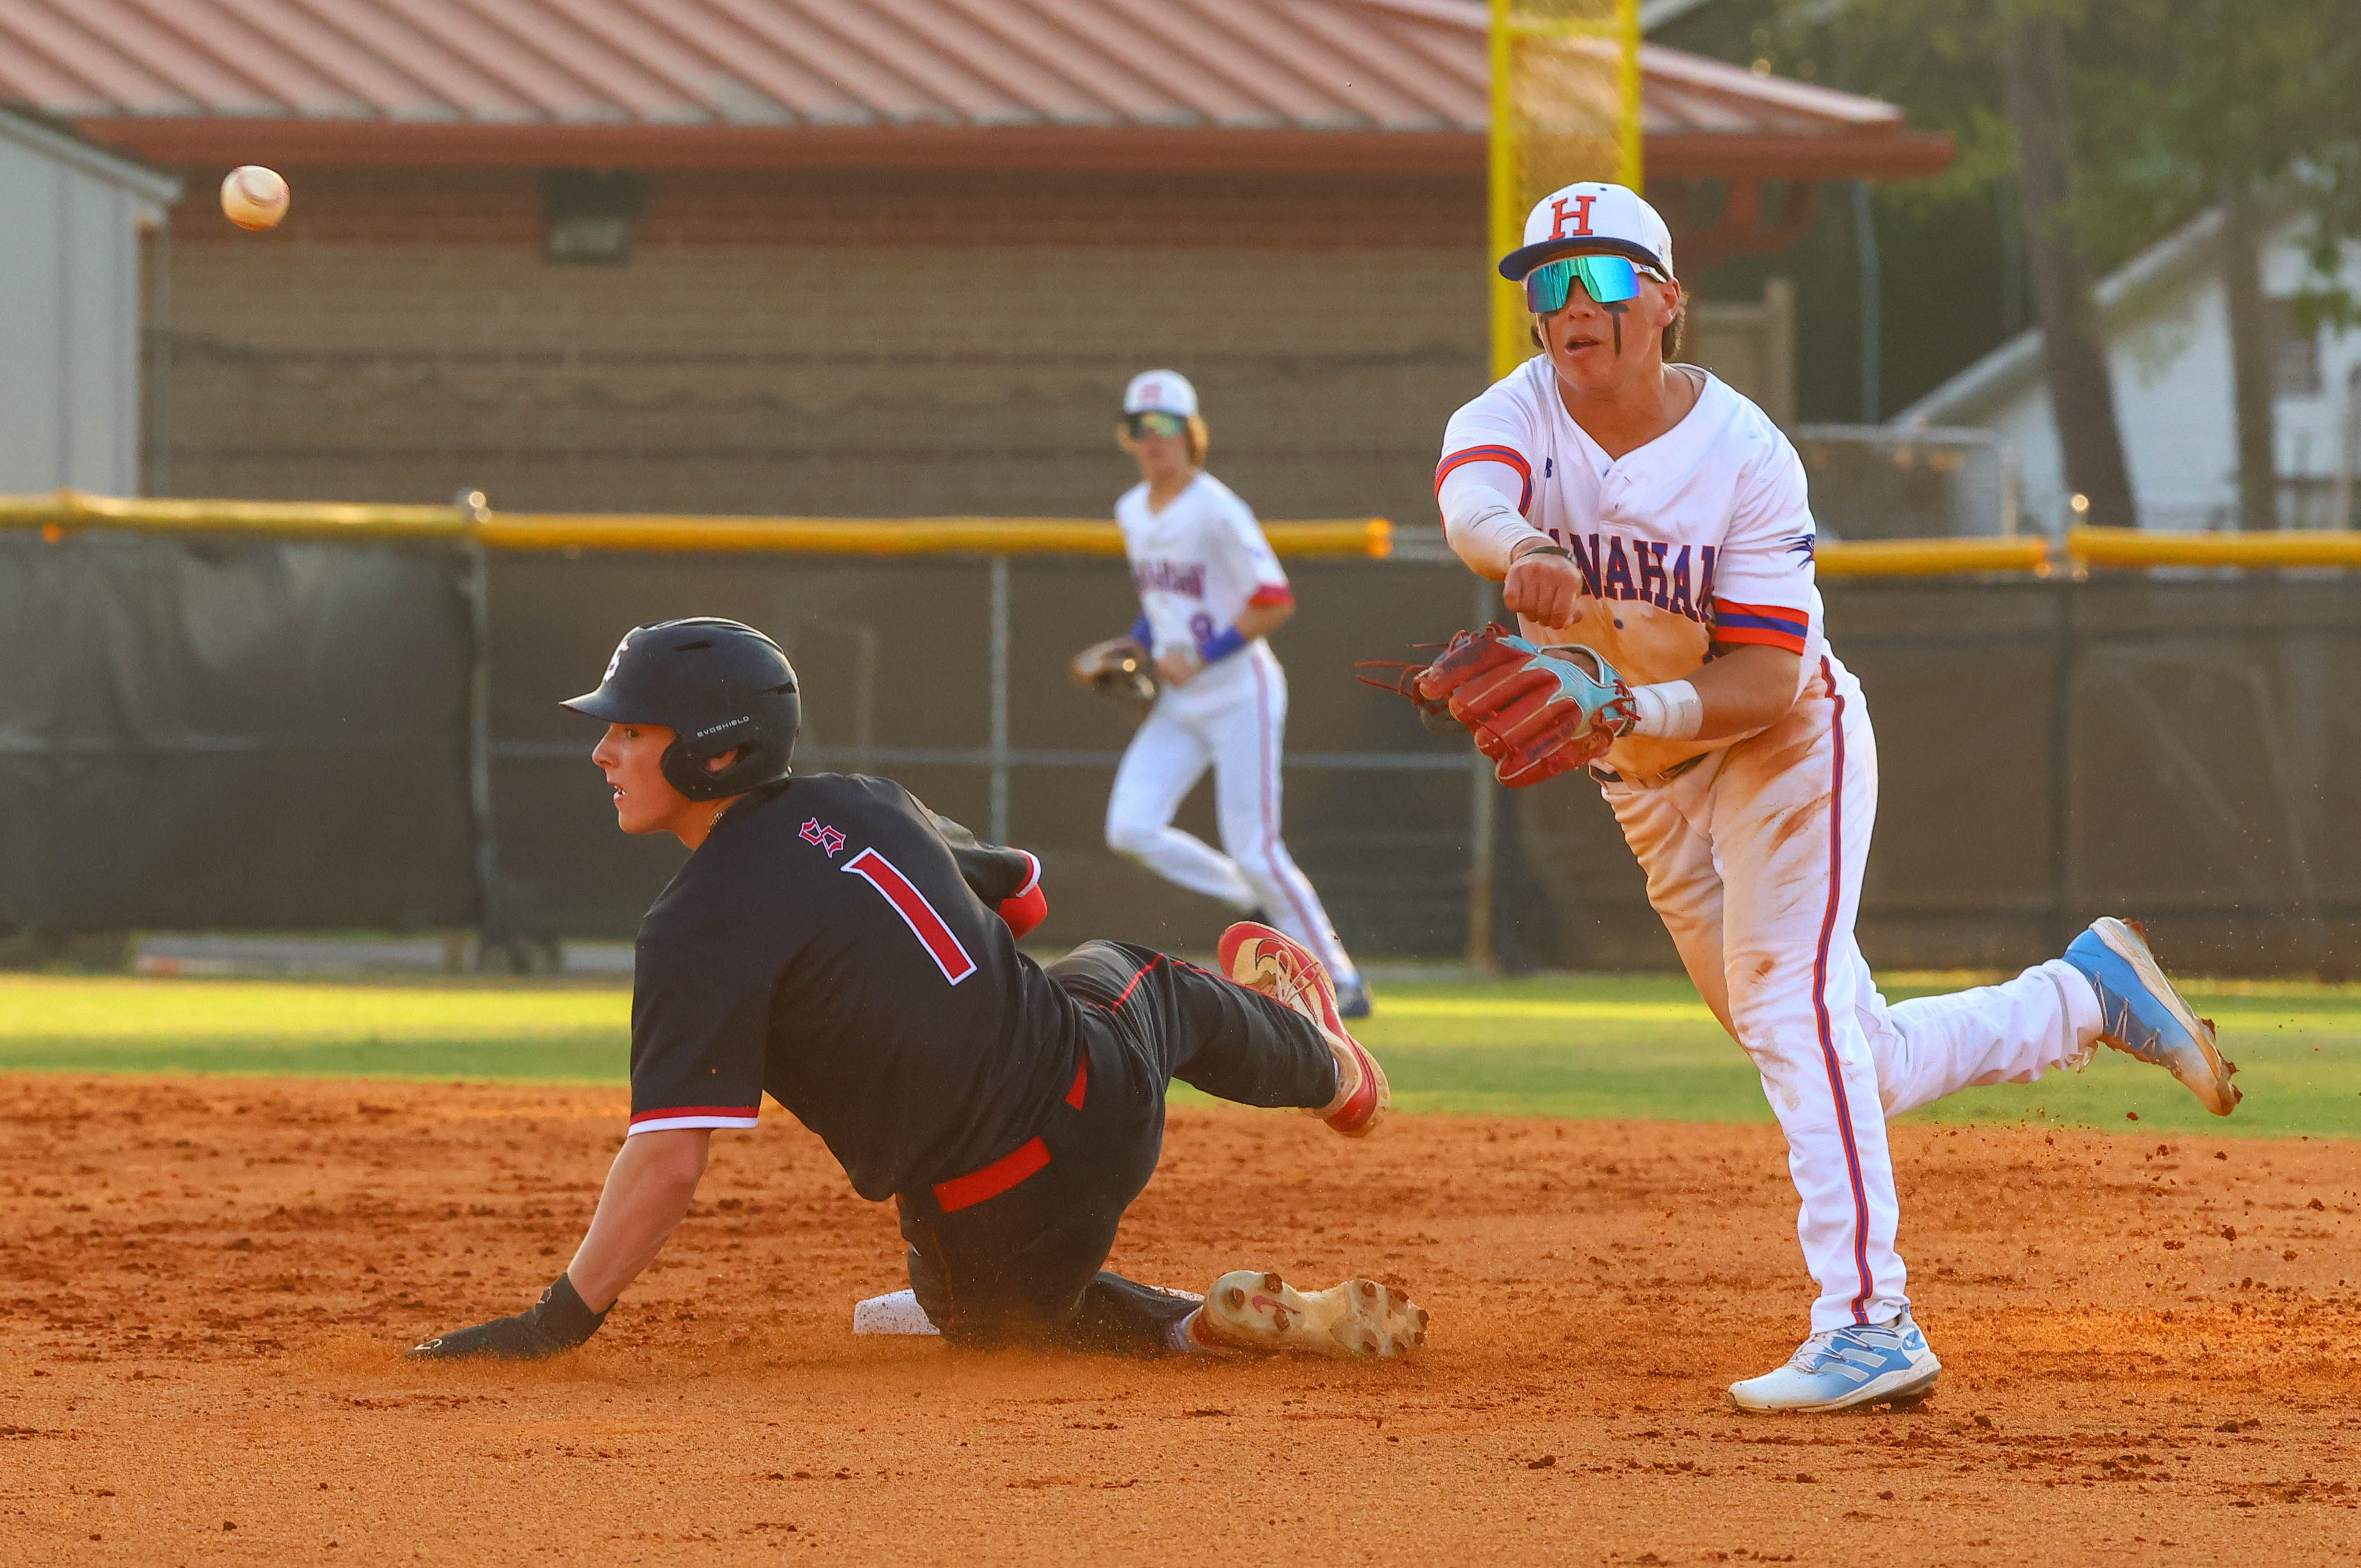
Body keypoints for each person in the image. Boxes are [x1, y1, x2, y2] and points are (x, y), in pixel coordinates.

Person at [1420, 182, 2239, 1413]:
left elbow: (1764, 674)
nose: (1568, 305)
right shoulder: (1516, 411)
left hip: (1778, 742)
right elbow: (1472, 495)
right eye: (1545, 284)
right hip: (1642, 787)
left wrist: (1638, 709)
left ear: (1665, 303)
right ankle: (2081, 995)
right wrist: (1524, 551)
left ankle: (1869, 1319)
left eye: (1596, 278)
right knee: (1834, 1049)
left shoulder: (1746, 454)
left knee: (1794, 1013)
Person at [409, 618, 1425, 1363]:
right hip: (1098, 1091)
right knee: (1143, 979)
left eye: (628, 730)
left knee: (1001, 1322)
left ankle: (1182, 1328)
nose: (603, 750)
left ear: (711, 748)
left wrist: (553, 1323)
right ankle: (1326, 1075)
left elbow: (670, 1158)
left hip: (984, 1219)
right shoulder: (867, 799)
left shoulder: (689, 926)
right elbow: (1022, 898)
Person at [1079, 370, 1372, 1018]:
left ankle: (1341, 977)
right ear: (1126, 439)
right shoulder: (1132, 510)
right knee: (1129, 826)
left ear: (1191, 434)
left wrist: (1205, 653)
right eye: (1140, 429)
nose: (1153, 440)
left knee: (1257, 845)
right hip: (1183, 700)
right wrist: (1132, 643)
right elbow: (1163, 606)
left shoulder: (1215, 508)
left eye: (1166, 428)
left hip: (1241, 689)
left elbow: (1273, 600)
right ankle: (1249, 898)